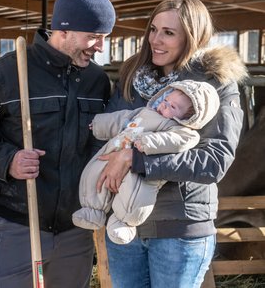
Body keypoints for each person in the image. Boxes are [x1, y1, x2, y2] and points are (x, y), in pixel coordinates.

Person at [0, 0, 115, 288]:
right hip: (17, 224)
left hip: (77, 227)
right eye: (94, 37)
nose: (100, 47)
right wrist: (7, 160)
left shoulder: (97, 82)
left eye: (105, 38)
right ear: (63, 30)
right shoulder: (5, 74)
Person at [97, 0, 248, 287]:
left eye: (168, 33)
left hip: (179, 228)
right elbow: (109, 134)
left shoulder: (214, 84)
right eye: (153, 30)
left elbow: (214, 161)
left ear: (192, 37)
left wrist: (136, 160)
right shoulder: (134, 77)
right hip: (124, 224)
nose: (156, 40)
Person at [73, 80, 220, 245]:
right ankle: (92, 210)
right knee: (94, 173)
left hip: (141, 171)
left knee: (136, 195)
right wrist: (101, 124)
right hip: (114, 151)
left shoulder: (182, 131)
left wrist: (147, 141)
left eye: (173, 107)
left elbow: (175, 140)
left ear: (190, 118)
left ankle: (124, 223)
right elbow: (122, 119)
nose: (164, 106)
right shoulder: (144, 112)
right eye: (165, 101)